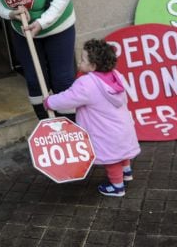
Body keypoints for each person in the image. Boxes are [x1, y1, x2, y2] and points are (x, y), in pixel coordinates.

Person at [43, 39, 140, 197]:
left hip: (105, 132)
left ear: (93, 66)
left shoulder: (86, 84)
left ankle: (117, 187)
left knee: (112, 159)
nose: (79, 63)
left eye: (82, 60)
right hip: (122, 126)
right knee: (122, 151)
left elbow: (69, 98)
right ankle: (126, 173)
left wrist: (50, 101)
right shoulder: (116, 75)